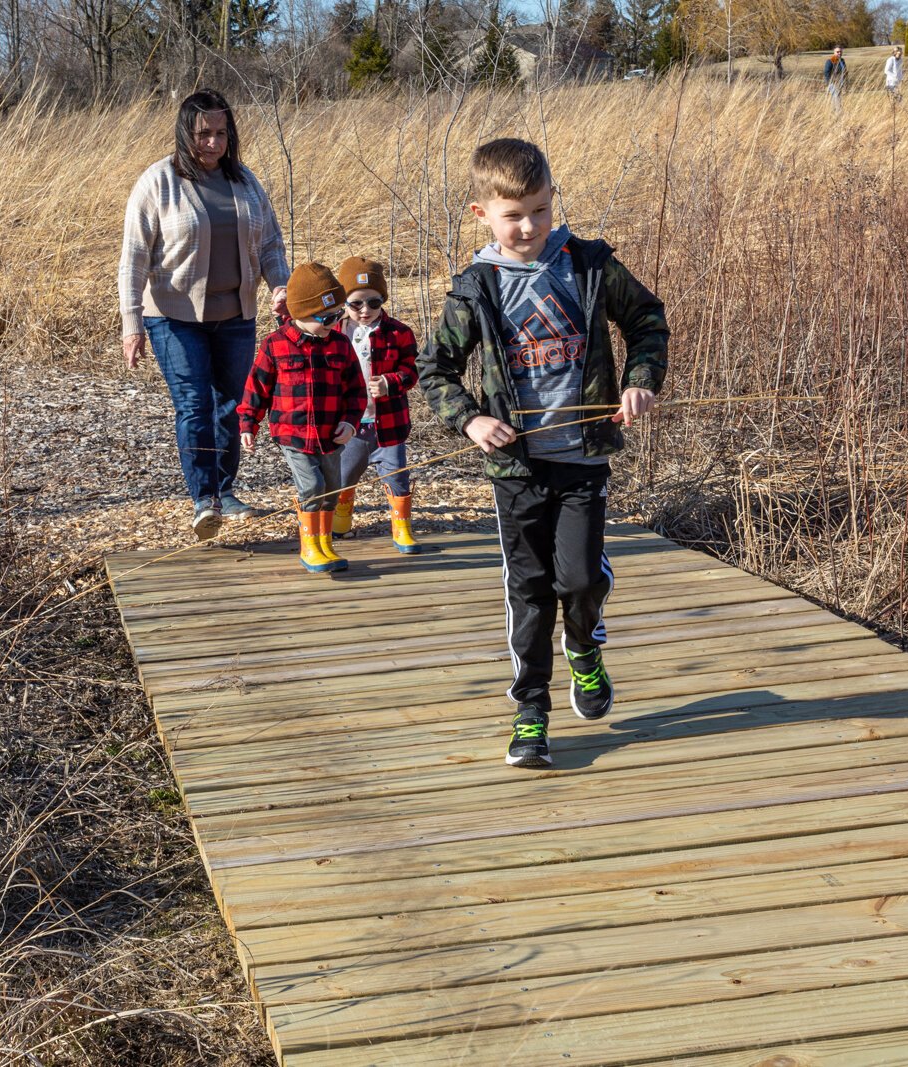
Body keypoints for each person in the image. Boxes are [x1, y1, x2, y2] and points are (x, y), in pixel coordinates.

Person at [417, 138, 669, 769]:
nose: (528, 226)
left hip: (583, 457)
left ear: (552, 198)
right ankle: (530, 713)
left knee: (579, 579)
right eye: (512, 215)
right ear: (481, 215)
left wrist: (641, 380)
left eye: (538, 208)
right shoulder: (476, 287)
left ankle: (584, 648)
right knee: (529, 589)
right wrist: (470, 419)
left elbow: (646, 320)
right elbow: (436, 369)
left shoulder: (587, 265)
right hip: (516, 469)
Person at [118, 89, 291, 542]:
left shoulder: (245, 180)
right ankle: (203, 499)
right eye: (203, 134)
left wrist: (281, 286)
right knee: (194, 403)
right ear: (185, 134)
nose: (212, 143)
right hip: (173, 315)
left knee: (233, 404)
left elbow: (271, 242)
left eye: (220, 133)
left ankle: (226, 490)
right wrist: (131, 322)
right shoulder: (158, 181)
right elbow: (134, 257)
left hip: (236, 313)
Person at [238, 263, 366, 574]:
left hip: (331, 434)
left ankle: (324, 544)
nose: (334, 323)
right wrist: (248, 424)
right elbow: (257, 387)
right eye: (327, 318)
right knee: (312, 486)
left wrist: (350, 422)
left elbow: (356, 391)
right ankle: (310, 546)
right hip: (293, 434)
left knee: (332, 487)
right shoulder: (275, 345)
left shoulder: (340, 345)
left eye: (338, 315)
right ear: (300, 313)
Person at [333, 255, 422, 555]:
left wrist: (391, 382)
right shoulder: (333, 334)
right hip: (351, 425)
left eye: (373, 302)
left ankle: (402, 526)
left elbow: (412, 370)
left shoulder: (399, 333)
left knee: (397, 475)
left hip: (389, 422)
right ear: (342, 302)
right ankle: (341, 516)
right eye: (355, 303)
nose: (365, 311)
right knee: (345, 476)